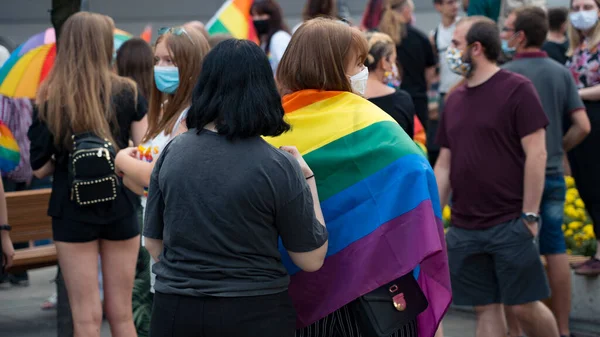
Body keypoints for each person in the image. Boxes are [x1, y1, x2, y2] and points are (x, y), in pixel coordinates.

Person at [273, 18, 451, 337]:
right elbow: (417, 174)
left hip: (300, 304)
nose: (362, 72)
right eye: (357, 63)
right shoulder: (374, 123)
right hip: (378, 299)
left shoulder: (269, 126)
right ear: (332, 67)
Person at [143, 38, 329, 337]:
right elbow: (310, 259)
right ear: (264, 91)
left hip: (175, 310)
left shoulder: (172, 152)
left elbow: (153, 243)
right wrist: (308, 181)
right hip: (255, 312)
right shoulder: (277, 166)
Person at [435, 16, 560, 337]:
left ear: (476, 48)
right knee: (485, 308)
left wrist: (529, 215)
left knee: (523, 306)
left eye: (456, 44)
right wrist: (435, 218)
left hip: (510, 221)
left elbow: (538, 153)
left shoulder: (517, 89)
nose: (450, 51)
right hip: (465, 226)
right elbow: (445, 163)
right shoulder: (455, 99)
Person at [27, 12, 148, 337]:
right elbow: (144, 152)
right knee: (122, 315)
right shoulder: (129, 92)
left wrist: (67, 156)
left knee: (86, 318)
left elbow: (38, 167)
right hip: (121, 204)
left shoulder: (50, 98)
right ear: (104, 46)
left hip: (71, 210)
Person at [502, 7, 591, 337]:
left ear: (520, 35)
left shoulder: (505, 75)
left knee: (512, 252)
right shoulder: (559, 72)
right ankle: (562, 329)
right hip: (552, 171)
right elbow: (582, 125)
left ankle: (516, 330)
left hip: (514, 178)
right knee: (555, 249)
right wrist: (560, 148)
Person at [115, 25, 210, 301]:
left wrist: (122, 158)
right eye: (157, 60)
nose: (160, 67)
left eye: (169, 60)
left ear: (191, 65)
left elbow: (156, 176)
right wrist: (139, 174)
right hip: (158, 231)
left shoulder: (191, 117)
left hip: (176, 240)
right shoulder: (168, 112)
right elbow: (140, 182)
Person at [565, 0, 600, 276]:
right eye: (575, 8)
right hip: (580, 122)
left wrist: (576, 94)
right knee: (587, 187)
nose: (580, 13)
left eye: (586, 6)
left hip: (596, 120)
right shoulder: (577, 47)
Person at [379, 0, 437, 133]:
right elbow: (430, 74)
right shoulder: (421, 38)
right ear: (406, 11)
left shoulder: (377, 38)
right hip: (417, 103)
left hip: (384, 103)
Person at [430, 0, 463, 166]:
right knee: (447, 141)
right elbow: (434, 69)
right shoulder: (434, 35)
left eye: (456, 2)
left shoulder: (463, 29)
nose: (455, 5)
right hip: (444, 95)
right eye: (450, 2)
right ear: (438, 6)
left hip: (464, 92)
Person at [364, 32, 416, 138]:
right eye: (393, 59)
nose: (394, 66)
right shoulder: (401, 99)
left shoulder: (349, 95)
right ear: (384, 62)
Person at [250, 0, 291, 73]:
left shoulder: (279, 38)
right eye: (253, 15)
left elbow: (287, 70)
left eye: (260, 15)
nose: (256, 19)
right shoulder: (264, 41)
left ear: (273, 16)